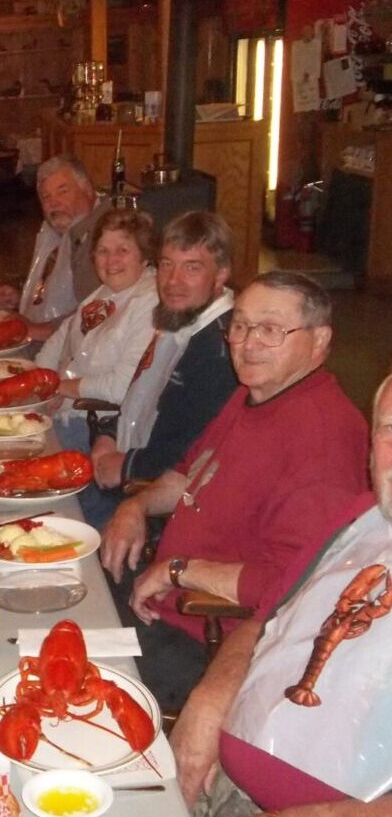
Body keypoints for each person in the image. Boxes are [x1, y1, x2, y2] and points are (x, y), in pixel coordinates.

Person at [170, 374, 392, 817]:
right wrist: (210, 700)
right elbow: (268, 621)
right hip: (216, 787)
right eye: (389, 430)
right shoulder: (359, 518)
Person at [100, 270, 370, 708]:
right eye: (240, 326)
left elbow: (299, 587)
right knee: (51, 591)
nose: (247, 343)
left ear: (319, 341)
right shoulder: (253, 395)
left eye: (270, 329)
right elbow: (187, 474)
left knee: (55, 656)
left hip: (205, 642)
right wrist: (137, 505)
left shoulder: (323, 439)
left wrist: (178, 571)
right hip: (160, 599)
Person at [86, 210, 239, 522]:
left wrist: (127, 466)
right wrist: (106, 436)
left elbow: (198, 453)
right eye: (167, 265)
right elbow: (140, 400)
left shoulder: (222, 351)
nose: (172, 281)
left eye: (191, 268)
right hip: (122, 468)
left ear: (221, 274)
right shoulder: (177, 322)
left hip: (153, 502)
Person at [33, 208, 158, 454]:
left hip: (96, 429)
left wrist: (60, 386)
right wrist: (42, 388)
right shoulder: (100, 296)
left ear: (144, 257)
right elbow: (52, 349)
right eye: (103, 251)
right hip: (61, 414)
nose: (111, 261)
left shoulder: (150, 304)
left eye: (122, 250)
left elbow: (122, 387)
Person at [0, 155, 111, 342]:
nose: (53, 203)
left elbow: (101, 309)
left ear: (87, 190)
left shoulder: (104, 237)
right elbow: (51, 280)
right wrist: (20, 293)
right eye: (46, 196)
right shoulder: (56, 230)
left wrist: (40, 330)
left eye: (62, 192)